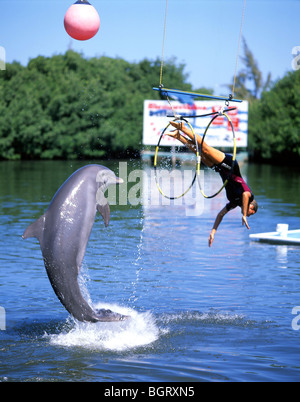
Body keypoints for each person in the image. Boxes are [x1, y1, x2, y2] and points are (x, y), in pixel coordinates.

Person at [166, 120, 258, 247]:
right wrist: (244, 216)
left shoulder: (234, 203)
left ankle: (178, 136)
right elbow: (245, 195)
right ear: (251, 207)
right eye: (249, 213)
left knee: (200, 153)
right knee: (206, 149)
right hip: (229, 165)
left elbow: (220, 214)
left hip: (220, 170)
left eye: (248, 215)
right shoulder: (249, 196)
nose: (247, 214)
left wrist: (213, 232)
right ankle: (182, 127)